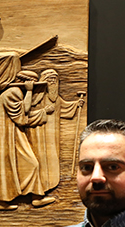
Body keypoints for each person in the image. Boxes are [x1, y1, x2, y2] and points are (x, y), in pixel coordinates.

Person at [0, 71, 52, 210]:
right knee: (16, 166)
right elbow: (23, 112)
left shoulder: (13, 93)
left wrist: (42, 111)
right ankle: (3, 201)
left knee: (26, 165)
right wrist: (29, 91)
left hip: (13, 134)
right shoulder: (13, 92)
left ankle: (36, 197)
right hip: (6, 137)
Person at [26, 69, 84, 197]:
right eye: (49, 79)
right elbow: (26, 115)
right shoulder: (37, 98)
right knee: (40, 160)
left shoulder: (55, 98)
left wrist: (76, 104)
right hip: (38, 136)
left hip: (52, 137)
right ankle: (37, 192)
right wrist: (43, 112)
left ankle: (49, 185)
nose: (52, 82)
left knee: (52, 159)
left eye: (55, 79)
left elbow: (64, 108)